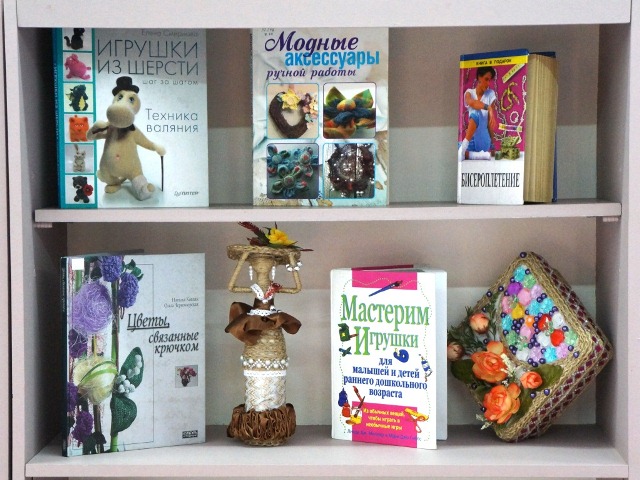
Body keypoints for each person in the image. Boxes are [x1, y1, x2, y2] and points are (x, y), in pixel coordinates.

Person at [458, 66, 497, 161]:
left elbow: (489, 124)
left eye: (490, 80)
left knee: (476, 112)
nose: (488, 83)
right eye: (486, 79)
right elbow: (472, 103)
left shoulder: (490, 94)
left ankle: (463, 150)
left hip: (483, 140)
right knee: (451, 147)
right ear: (479, 77)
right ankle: (479, 155)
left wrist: (492, 145)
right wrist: (488, 108)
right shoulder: (469, 92)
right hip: (471, 140)